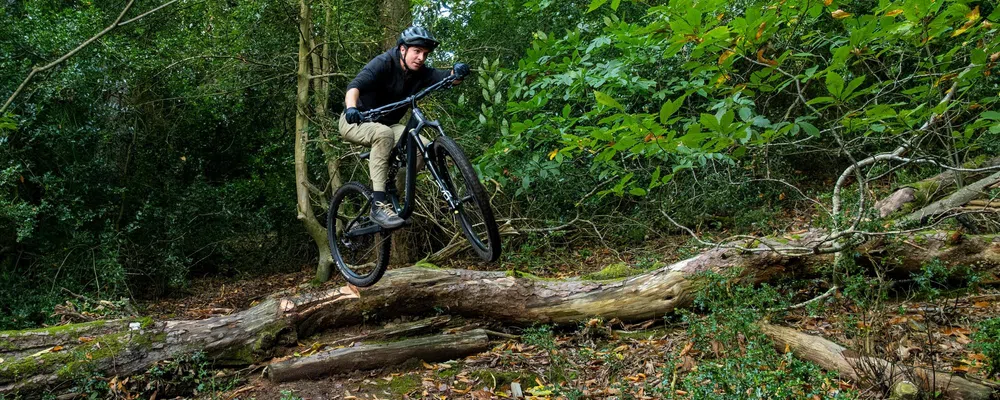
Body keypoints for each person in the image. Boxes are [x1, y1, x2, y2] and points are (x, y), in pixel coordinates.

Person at [340, 26, 469, 229]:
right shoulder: (383, 63)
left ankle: (392, 196)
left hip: (389, 125)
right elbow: (354, 87)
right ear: (402, 49)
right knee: (382, 134)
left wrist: (458, 72)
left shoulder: (420, 72)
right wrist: (351, 109)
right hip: (357, 121)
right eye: (416, 51)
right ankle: (378, 205)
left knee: (423, 147)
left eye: (425, 54)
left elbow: (447, 78)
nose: (421, 57)